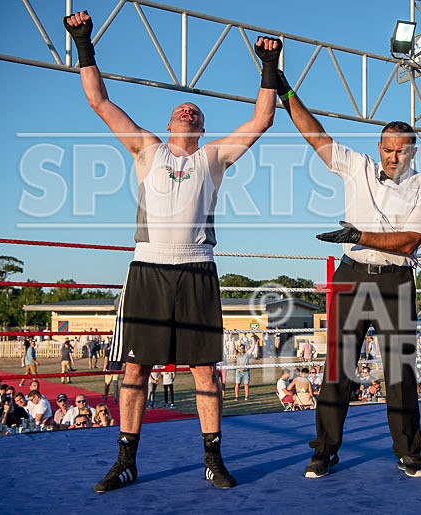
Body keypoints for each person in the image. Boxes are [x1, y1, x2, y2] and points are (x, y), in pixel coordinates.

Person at [63, 10, 280, 492]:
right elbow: (99, 100)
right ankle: (126, 459)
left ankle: (213, 459)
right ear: (167, 122)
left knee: (205, 368)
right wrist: (83, 43)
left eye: (194, 110)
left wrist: (268, 66)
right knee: (136, 368)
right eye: (180, 108)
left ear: (202, 126)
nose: (187, 109)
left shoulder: (213, 156)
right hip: (148, 270)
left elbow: (262, 118)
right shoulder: (146, 148)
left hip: (197, 271)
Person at [276, 70, 421, 480]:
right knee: (338, 367)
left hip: (395, 280)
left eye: (400, 151)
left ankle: (409, 452)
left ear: (413, 152)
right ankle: (324, 450)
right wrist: (286, 89)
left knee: (400, 371)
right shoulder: (358, 166)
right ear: (379, 148)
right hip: (351, 277)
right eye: (386, 149)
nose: (392, 156)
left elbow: (409, 242)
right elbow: (316, 136)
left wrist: (359, 234)